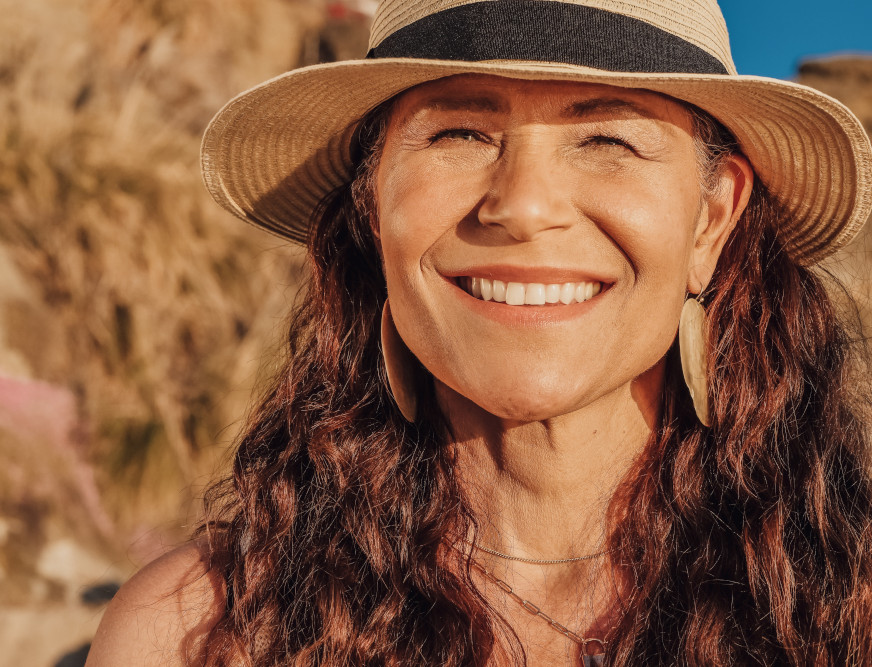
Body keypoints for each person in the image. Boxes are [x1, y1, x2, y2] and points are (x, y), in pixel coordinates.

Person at [87, 0, 872, 665]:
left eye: (607, 139)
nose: (523, 205)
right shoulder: (193, 635)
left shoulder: (848, 612)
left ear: (710, 221)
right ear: (373, 206)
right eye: (459, 132)